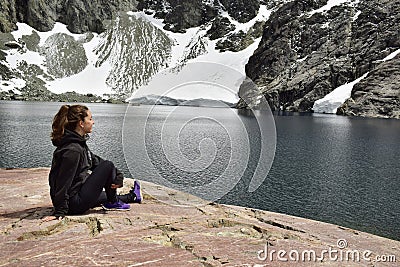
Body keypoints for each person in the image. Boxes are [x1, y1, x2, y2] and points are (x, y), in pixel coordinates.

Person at [42, 104, 141, 222]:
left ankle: (133, 196)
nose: (93, 122)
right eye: (90, 119)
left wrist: (118, 174)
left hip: (77, 195)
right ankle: (113, 202)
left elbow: (96, 162)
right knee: (108, 165)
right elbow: (61, 183)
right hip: (73, 204)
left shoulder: (79, 144)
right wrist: (60, 211)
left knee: (103, 193)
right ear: (81, 123)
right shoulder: (72, 150)